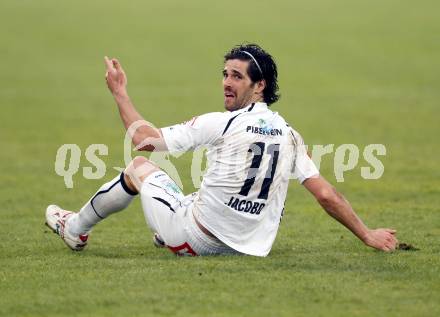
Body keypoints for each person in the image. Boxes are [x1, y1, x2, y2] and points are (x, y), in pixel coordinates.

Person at [45, 44, 398, 256]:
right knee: (202, 189)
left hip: (197, 239)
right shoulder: (289, 134)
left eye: (237, 76)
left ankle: (74, 228)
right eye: (225, 73)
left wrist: (120, 93)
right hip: (249, 246)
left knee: (139, 166)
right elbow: (326, 195)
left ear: (259, 86)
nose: (227, 82)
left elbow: (145, 140)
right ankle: (166, 227)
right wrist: (367, 234)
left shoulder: (222, 123)